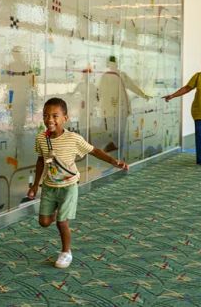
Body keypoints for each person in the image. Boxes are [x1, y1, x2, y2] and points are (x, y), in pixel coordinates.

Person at [26, 97, 128, 269]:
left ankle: (66, 252)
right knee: (44, 222)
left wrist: (113, 161)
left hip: (69, 186)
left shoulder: (74, 138)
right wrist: (35, 185)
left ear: (65, 118)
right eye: (46, 115)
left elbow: (94, 150)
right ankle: (58, 210)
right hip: (50, 186)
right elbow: (40, 160)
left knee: (61, 222)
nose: (49, 120)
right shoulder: (41, 139)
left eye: (55, 116)